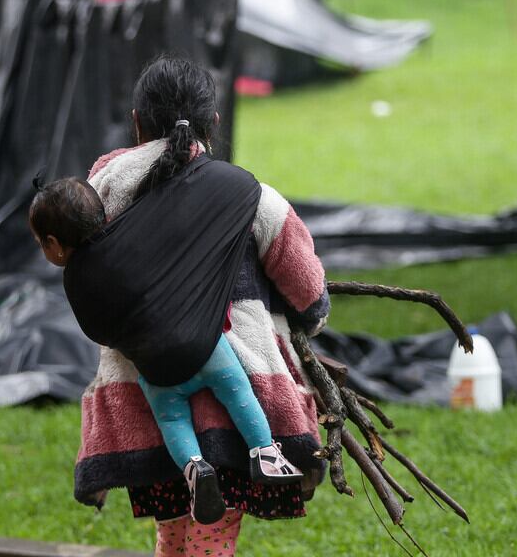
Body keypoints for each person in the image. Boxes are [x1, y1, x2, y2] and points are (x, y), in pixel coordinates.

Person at [70, 57, 330, 556]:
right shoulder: (253, 198)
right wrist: (310, 319)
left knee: (171, 535)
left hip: (140, 397)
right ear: (213, 124)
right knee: (213, 540)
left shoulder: (99, 198)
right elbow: (308, 293)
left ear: (137, 122)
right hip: (233, 403)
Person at [28, 177, 304, 526]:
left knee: (172, 418)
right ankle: (264, 451)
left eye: (40, 243)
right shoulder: (134, 237)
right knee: (237, 391)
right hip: (203, 344)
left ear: (54, 243)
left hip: (155, 366)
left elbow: (97, 331)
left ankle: (194, 468)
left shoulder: (75, 280)